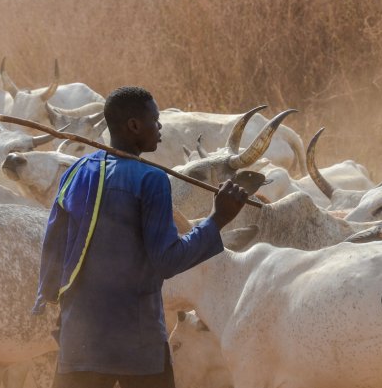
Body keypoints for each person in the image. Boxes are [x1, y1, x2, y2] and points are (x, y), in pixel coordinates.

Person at [32, 86, 248, 388]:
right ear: (134, 125)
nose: (159, 127)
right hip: (137, 339)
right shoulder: (151, 179)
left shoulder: (77, 170)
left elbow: (54, 242)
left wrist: (57, 303)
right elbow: (168, 260)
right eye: (155, 120)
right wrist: (217, 219)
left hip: (80, 336)